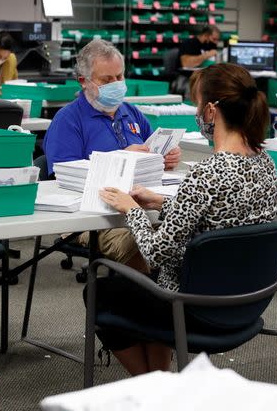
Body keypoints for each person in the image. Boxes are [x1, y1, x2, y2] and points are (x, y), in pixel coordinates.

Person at [92, 63, 277, 376]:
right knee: (139, 292)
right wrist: (164, 202)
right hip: (245, 301)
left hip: (192, 305)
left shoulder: (205, 173)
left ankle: (155, 390)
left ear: (209, 112)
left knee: (101, 293)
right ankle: (161, 379)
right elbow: (221, 216)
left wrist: (132, 208)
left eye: (196, 104)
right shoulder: (265, 164)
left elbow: (154, 252)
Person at [43, 39, 181, 271]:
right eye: (107, 80)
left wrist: (165, 159)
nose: (116, 84)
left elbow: (151, 150)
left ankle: (174, 295)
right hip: (93, 215)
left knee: (183, 229)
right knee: (137, 242)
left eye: (119, 77)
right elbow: (63, 180)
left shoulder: (131, 112)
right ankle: (154, 297)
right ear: (84, 82)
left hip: (140, 204)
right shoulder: (68, 119)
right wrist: (119, 158)